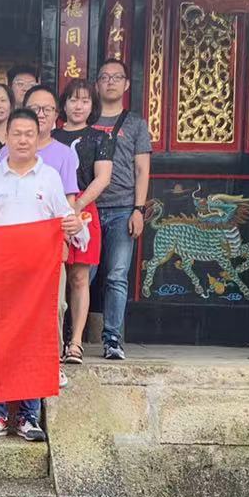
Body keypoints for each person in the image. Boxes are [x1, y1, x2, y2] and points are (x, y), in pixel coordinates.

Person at [0, 108, 86, 442]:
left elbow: (67, 219)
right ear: (6, 137)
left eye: (29, 134)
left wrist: (75, 226)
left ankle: (28, 416)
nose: (22, 140)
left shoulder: (49, 177)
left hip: (37, 278)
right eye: (16, 133)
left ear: (38, 139)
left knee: (32, 343)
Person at [93, 59, 154, 361]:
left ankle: (112, 339)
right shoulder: (86, 119)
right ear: (97, 85)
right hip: (89, 209)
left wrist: (138, 209)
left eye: (117, 77)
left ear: (127, 84)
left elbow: (142, 169)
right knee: (82, 275)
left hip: (121, 208)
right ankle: (69, 337)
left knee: (117, 275)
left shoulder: (136, 124)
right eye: (105, 77)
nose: (111, 82)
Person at [52, 78, 114, 365]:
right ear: (63, 104)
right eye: (73, 100)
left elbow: (103, 178)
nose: (79, 106)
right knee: (52, 278)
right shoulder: (51, 136)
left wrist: (76, 205)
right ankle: (53, 340)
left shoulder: (101, 138)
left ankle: (75, 342)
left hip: (84, 209)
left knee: (79, 277)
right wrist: (63, 207)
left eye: (85, 100)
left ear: (93, 105)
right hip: (51, 210)